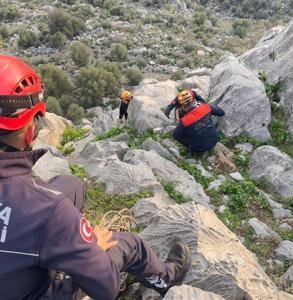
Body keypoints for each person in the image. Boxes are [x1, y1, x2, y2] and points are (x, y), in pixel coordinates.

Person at [0, 55, 191, 300]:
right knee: (129, 245)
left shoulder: (43, 205)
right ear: (29, 130)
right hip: (38, 293)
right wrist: (96, 248)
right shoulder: (48, 208)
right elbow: (105, 288)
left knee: (72, 185)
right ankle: (165, 278)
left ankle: (66, 245)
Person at [173, 89, 225, 154]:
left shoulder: (184, 121)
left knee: (183, 132)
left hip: (199, 148)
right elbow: (221, 113)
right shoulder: (206, 107)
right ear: (194, 100)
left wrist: (178, 121)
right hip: (214, 141)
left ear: (182, 106)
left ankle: (191, 147)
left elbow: (176, 135)